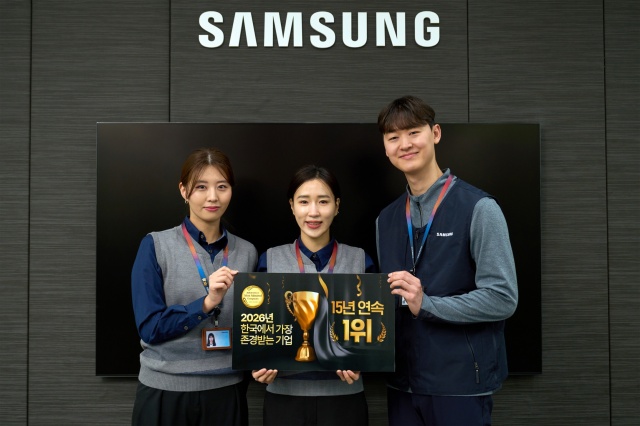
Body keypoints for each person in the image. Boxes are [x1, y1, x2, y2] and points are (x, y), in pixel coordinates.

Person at [375, 96, 519, 426]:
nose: (404, 144)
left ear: (436, 133)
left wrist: (427, 304)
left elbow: (502, 297)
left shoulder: (479, 208)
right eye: (393, 137)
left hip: (460, 386)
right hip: (402, 386)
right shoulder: (386, 220)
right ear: (385, 148)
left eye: (413, 132)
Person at [131, 147, 258, 426]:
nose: (213, 196)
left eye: (222, 186)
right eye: (201, 187)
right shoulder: (155, 245)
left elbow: (254, 326)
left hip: (227, 391)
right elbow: (150, 327)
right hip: (164, 389)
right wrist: (205, 304)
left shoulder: (248, 252)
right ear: (184, 191)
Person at [251, 165, 377, 426]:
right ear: (292, 206)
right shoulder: (269, 260)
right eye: (304, 201)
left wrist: (363, 360)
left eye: (323, 201)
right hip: (284, 399)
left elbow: (375, 333)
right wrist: (257, 362)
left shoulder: (360, 260)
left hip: (345, 399)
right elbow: (257, 329)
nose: (314, 212)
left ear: (337, 206)